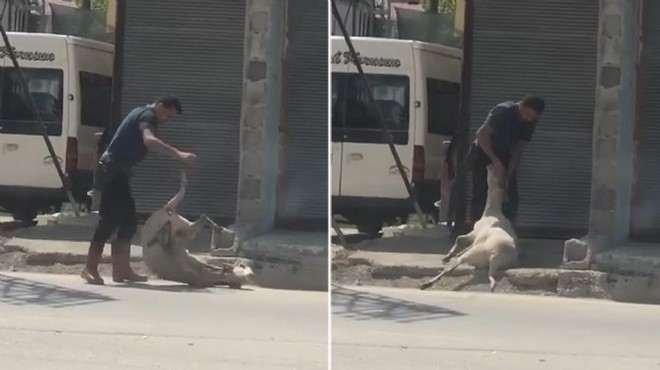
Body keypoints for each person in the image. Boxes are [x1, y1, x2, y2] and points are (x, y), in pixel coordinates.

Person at [81, 96, 196, 285]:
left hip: (118, 173)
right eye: (167, 115)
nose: (167, 120)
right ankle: (90, 268)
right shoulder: (148, 115)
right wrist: (179, 154)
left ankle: (122, 270)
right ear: (160, 105)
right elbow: (149, 140)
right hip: (112, 172)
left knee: (127, 222)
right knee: (108, 221)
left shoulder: (142, 113)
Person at [450, 95, 545, 228]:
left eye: (532, 117)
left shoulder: (530, 122)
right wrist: (495, 161)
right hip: (483, 151)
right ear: (522, 105)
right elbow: (481, 134)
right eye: (528, 114)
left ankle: (506, 229)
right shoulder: (504, 111)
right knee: (480, 192)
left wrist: (510, 171)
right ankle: (475, 229)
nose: (528, 119)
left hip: (504, 154)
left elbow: (519, 147)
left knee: (509, 194)